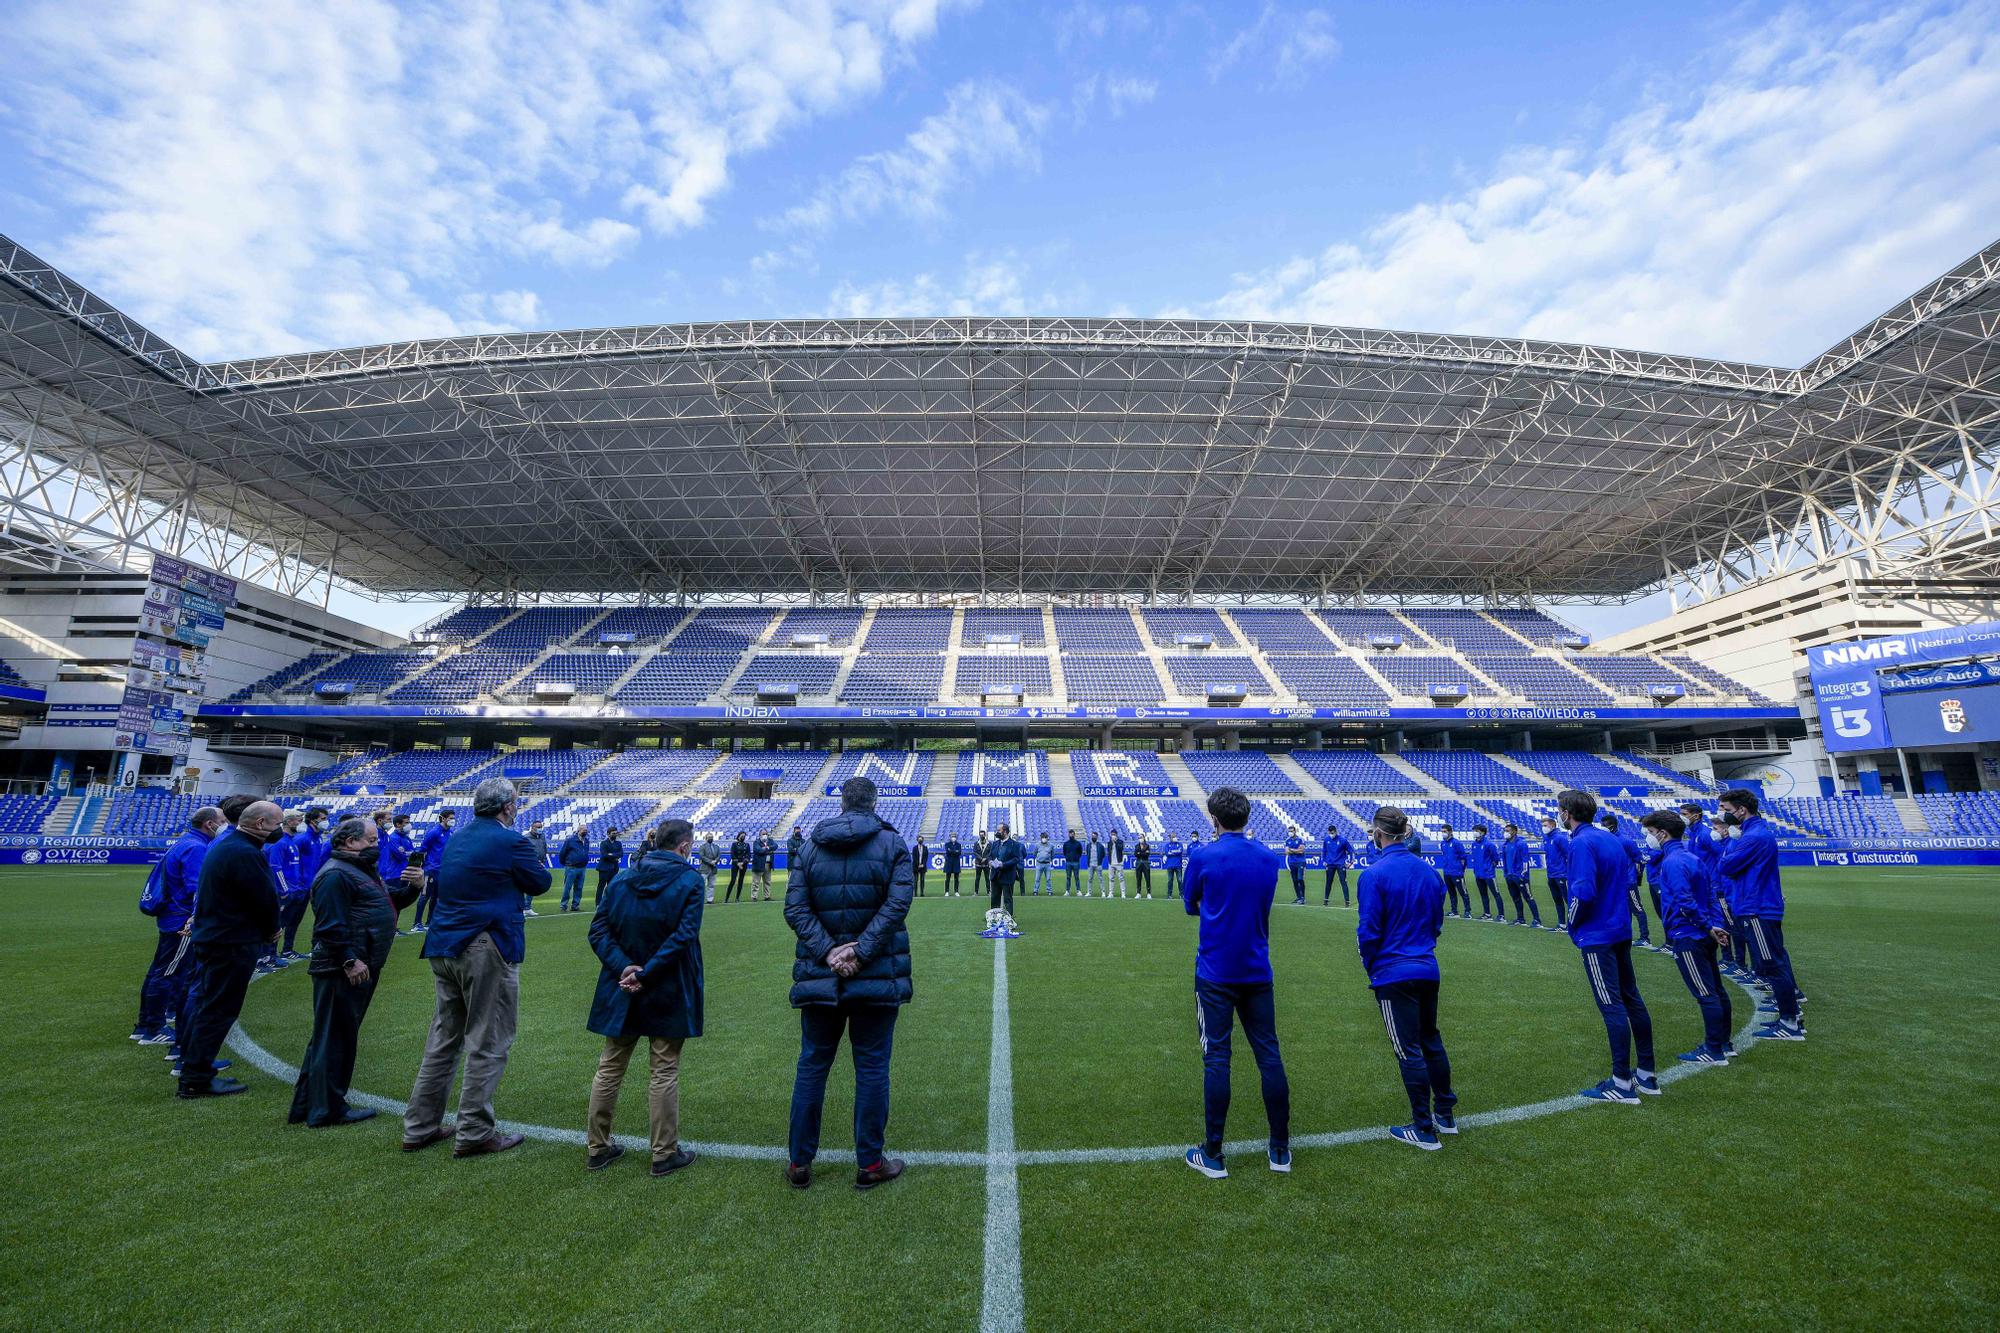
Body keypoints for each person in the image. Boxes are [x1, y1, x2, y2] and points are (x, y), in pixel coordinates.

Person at [402, 777, 553, 1157]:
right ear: (508, 808)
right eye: (516, 804)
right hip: (485, 944)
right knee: (488, 1040)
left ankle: (420, 1126)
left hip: (443, 944)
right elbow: (540, 882)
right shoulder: (511, 841)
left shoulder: (458, 837)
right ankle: (473, 1132)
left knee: (443, 1039)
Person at [783, 776, 914, 1191]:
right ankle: (870, 1163)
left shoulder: (809, 846)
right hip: (875, 975)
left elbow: (795, 908)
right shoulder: (893, 845)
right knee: (872, 1067)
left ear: (842, 803)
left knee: (812, 1066)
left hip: (820, 976)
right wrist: (860, 952)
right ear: (874, 803)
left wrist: (827, 952)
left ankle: (799, 1163)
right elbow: (897, 905)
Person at [585, 817, 705, 1176]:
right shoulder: (689, 880)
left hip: (622, 986)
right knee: (663, 1069)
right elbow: (683, 937)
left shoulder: (622, 879)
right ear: (684, 846)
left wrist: (625, 967)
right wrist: (645, 972)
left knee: (610, 1066)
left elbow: (598, 930)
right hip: (667, 986)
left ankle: (597, 1147)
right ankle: (663, 1153)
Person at [1181, 787, 1291, 1179]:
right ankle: (1280, 1148)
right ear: (1246, 818)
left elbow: (1190, 903)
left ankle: (1214, 1152)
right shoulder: (1267, 858)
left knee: (1217, 1059)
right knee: (1269, 1055)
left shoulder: (1203, 856)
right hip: (1257, 970)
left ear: (1214, 819)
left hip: (1214, 973)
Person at [289, 817, 423, 1127]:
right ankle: (327, 1109)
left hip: (359, 963)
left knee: (331, 1036)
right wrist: (349, 960)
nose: (377, 846)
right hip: (344, 968)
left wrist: (414, 888)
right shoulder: (337, 874)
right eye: (372, 840)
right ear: (350, 842)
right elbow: (329, 926)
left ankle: (308, 1105)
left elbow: (388, 904)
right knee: (337, 1038)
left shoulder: (360, 870)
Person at [1356, 805, 1455, 1149]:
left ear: (1378, 835)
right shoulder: (1429, 874)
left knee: (1408, 1048)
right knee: (1430, 1039)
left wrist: (1372, 965)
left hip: (1393, 972)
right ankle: (1445, 1113)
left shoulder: (1374, 874)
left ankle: (1423, 1128)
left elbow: (1368, 932)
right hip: (1426, 965)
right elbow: (1437, 923)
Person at [177, 800, 284, 1098]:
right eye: (277, 824)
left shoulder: (230, 846)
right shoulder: (244, 852)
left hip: (219, 937)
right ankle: (196, 1077)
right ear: (261, 824)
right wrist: (271, 928)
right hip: (231, 941)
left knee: (211, 1006)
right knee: (219, 1009)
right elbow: (263, 898)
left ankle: (195, 1071)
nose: (280, 830)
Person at [1559, 789, 1657, 1103]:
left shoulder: (1581, 842)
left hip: (1598, 935)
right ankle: (1646, 1074)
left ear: (1566, 812)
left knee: (1611, 1004)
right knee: (1632, 998)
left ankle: (1621, 1083)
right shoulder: (1609, 839)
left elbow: (1583, 892)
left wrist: (1572, 924)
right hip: (1619, 929)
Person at [1640, 810, 1734, 1065]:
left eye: (1650, 833)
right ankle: (1724, 1043)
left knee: (1706, 993)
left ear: (1662, 832)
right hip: (1703, 932)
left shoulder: (1671, 862)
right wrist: (1714, 925)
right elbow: (1711, 895)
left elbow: (1684, 902)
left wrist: (1707, 926)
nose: (1650, 838)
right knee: (1716, 989)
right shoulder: (1692, 858)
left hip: (1688, 934)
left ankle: (1714, 1049)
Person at [1715, 788, 1805, 1041]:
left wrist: (1729, 845)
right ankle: (1791, 1016)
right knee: (1775, 962)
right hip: (1761, 905)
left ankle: (1790, 1022)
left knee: (1772, 965)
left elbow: (1726, 866)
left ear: (1742, 810)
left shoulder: (1752, 837)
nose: (1724, 815)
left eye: (1727, 810)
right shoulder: (1755, 833)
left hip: (1756, 907)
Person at [133, 806, 222, 1045]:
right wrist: (196, 917)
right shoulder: (196, 847)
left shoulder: (185, 842)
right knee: (167, 972)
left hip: (172, 916)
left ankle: (144, 1024)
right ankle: (153, 1028)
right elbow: (196, 888)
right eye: (221, 821)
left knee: (161, 969)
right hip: (181, 919)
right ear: (209, 824)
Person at [1601, 812, 1654, 948]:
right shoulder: (1604, 839)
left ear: (1612, 826)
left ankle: (1645, 938)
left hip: (1627, 882)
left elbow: (1639, 858)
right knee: (1622, 910)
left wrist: (1638, 877)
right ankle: (1625, 935)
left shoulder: (1626, 841)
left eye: (1605, 825)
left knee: (1637, 908)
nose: (1602, 828)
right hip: (1614, 883)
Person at [262, 810, 305, 971]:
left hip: (294, 889)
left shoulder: (291, 841)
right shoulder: (280, 843)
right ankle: (267, 957)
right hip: (283, 892)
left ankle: (273, 955)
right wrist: (285, 890)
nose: (301, 823)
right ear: (287, 822)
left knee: (282, 924)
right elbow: (275, 867)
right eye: (298, 820)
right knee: (275, 925)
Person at [412, 810, 454, 931]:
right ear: (443, 819)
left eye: (453, 818)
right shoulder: (434, 832)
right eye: (450, 818)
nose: (453, 820)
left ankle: (429, 922)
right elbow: (422, 849)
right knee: (425, 896)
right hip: (430, 869)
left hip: (442, 871)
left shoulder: (450, 832)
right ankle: (416, 924)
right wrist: (418, 867)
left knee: (436, 897)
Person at [1502, 824, 1542, 927]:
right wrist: (1505, 873)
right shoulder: (1505, 845)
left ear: (1514, 832)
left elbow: (1525, 860)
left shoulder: (1521, 844)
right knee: (1516, 898)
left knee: (1528, 897)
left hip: (1520, 876)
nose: (1505, 832)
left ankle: (1537, 920)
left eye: (1508, 830)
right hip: (1509, 876)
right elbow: (1505, 860)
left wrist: (1523, 874)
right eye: (1505, 830)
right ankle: (1520, 919)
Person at [1540, 814, 1571, 929]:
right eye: (1542, 825)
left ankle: (1574, 925)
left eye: (1545, 825)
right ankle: (1562, 924)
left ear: (1552, 826)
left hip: (1562, 875)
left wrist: (1567, 872)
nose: (1543, 827)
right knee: (1557, 900)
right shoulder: (1546, 839)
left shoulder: (1560, 838)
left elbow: (1568, 855)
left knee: (1569, 901)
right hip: (1551, 875)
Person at [1435, 825, 1470, 918]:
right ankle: (1454, 911)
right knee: (1451, 892)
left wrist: (1461, 870)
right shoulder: (1442, 843)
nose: (1443, 833)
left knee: (1463, 892)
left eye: (1445, 831)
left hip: (1457, 872)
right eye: (1442, 831)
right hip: (1447, 872)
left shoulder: (1456, 843)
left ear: (1450, 832)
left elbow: (1463, 857)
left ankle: (1467, 911)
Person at [1468, 825, 1501, 920]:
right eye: (1474, 830)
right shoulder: (1474, 844)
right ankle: (1487, 913)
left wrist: (1489, 868)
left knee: (1496, 894)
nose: (1474, 832)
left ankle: (1501, 915)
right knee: (1483, 895)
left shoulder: (1489, 844)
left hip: (1488, 874)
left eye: (1476, 830)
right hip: (1478, 874)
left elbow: (1495, 858)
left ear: (1482, 832)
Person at [989, 822, 1022, 917]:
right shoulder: (995, 844)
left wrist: (1003, 864)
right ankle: (993, 919)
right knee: (994, 898)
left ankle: (1008, 919)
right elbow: (990, 856)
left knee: (1008, 899)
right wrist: (990, 861)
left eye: (999, 830)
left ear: (1005, 832)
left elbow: (1016, 859)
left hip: (1007, 876)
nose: (997, 832)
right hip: (995, 875)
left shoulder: (1014, 844)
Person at [559, 823, 592, 912]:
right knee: (567, 887)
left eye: (586, 830)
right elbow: (562, 853)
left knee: (579, 887)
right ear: (578, 831)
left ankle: (575, 905)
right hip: (571, 867)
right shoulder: (570, 841)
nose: (585, 832)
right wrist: (566, 863)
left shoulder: (587, 841)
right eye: (583, 830)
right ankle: (563, 905)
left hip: (582, 868)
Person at [521, 818, 547, 917]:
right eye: (538, 827)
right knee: (524, 886)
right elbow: (525, 852)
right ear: (532, 827)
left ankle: (528, 907)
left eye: (541, 827)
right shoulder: (526, 838)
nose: (540, 829)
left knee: (532, 886)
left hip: (540, 865)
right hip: (528, 865)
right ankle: (522, 907)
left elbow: (544, 848)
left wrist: (543, 859)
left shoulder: (542, 836)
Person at [1321, 824, 1353, 907]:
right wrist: (1324, 860)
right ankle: (1326, 900)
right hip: (1330, 863)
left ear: (1336, 832)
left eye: (1332, 833)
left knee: (1343, 882)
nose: (1331, 834)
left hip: (1340, 863)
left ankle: (1347, 901)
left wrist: (1350, 861)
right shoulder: (1326, 840)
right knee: (1328, 882)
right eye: (1330, 833)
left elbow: (1350, 850)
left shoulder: (1343, 840)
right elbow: (1324, 851)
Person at [597, 827, 625, 905]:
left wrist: (611, 854)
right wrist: (615, 856)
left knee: (612, 886)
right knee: (601, 886)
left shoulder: (618, 843)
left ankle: (610, 903)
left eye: (616, 833)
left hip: (614, 868)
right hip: (604, 868)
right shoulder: (603, 843)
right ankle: (598, 903)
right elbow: (604, 855)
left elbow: (621, 854)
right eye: (613, 833)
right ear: (608, 834)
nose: (615, 834)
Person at [752, 829, 778, 901]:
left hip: (768, 864)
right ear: (760, 835)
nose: (765, 835)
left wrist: (767, 848)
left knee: (767, 881)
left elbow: (776, 846)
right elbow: (758, 850)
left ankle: (767, 896)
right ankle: (754, 897)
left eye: (766, 834)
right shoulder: (756, 842)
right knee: (756, 882)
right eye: (763, 834)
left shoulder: (770, 841)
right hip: (759, 864)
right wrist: (767, 850)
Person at [726, 832, 751, 903]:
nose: (743, 837)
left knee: (741, 880)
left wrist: (743, 863)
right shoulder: (734, 844)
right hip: (735, 864)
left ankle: (737, 897)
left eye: (744, 836)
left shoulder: (747, 845)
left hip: (743, 864)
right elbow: (732, 854)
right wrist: (738, 863)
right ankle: (727, 897)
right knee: (733, 880)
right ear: (738, 836)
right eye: (742, 836)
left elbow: (748, 855)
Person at [697, 833, 721, 903]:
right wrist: (710, 862)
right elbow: (702, 856)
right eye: (709, 837)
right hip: (704, 869)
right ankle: (699, 899)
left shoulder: (716, 847)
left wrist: (715, 861)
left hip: (713, 869)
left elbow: (719, 855)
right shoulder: (702, 846)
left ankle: (710, 900)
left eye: (712, 837)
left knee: (711, 885)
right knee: (701, 885)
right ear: (706, 838)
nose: (711, 838)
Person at [1160, 831, 1184, 900]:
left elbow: (1180, 851)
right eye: (1172, 837)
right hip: (1170, 865)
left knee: (1179, 880)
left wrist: (1172, 852)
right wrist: (1175, 852)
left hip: (1178, 865)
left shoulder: (1179, 844)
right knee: (1170, 880)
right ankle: (1169, 895)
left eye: (1174, 836)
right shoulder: (1167, 845)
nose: (1173, 838)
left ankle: (1181, 894)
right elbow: (1167, 853)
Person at [1107, 830, 1128, 898]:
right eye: (1112, 834)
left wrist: (1115, 842)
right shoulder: (1109, 843)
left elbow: (1120, 848)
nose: (1113, 836)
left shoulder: (1120, 842)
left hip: (1119, 863)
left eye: (1114, 834)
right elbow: (1109, 852)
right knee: (1111, 878)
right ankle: (1111, 893)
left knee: (1121, 878)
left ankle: (1123, 893)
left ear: (1116, 835)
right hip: (1111, 863)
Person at [1062, 830, 1084, 895]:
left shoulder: (1078, 844)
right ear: (1068, 835)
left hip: (1076, 863)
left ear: (1074, 835)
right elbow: (1064, 852)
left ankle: (1078, 891)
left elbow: (1080, 852)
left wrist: (1076, 858)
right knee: (1068, 877)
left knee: (1077, 877)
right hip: (1068, 862)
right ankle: (1067, 891)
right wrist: (1067, 857)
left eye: (1072, 834)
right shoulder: (1066, 844)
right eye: (1070, 834)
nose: (1071, 835)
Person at [971, 831, 991, 901]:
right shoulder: (976, 843)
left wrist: (986, 858)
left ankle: (989, 892)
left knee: (987, 878)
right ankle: (976, 892)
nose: (981, 836)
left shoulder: (989, 843)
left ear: (985, 835)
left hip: (986, 864)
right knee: (977, 878)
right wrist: (980, 858)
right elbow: (975, 852)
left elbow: (990, 852)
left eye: (983, 835)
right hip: (978, 864)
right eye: (980, 835)